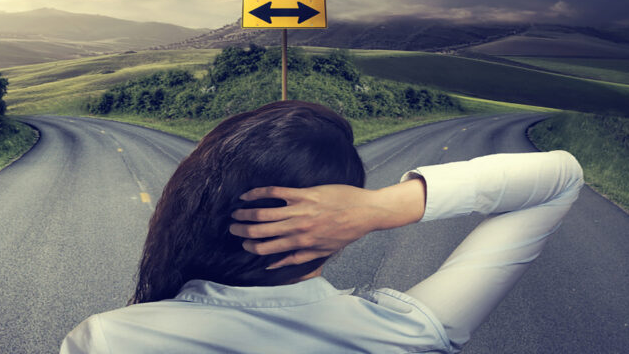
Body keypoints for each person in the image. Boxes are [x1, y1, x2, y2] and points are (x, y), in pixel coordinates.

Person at [61, 100, 583, 353]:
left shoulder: (110, 340)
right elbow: (559, 179)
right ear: (333, 226)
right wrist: (379, 207)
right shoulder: (410, 334)